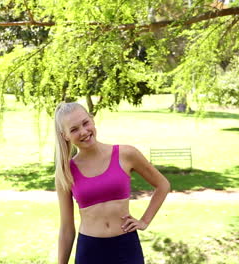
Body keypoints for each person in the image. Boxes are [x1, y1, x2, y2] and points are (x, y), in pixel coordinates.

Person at [54, 102, 170, 264]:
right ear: (65, 135)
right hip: (90, 252)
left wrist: (144, 221)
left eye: (85, 123)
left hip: (126, 248)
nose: (83, 132)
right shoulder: (66, 172)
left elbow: (162, 185)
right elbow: (66, 228)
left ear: (92, 120)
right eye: (74, 129)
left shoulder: (126, 154)